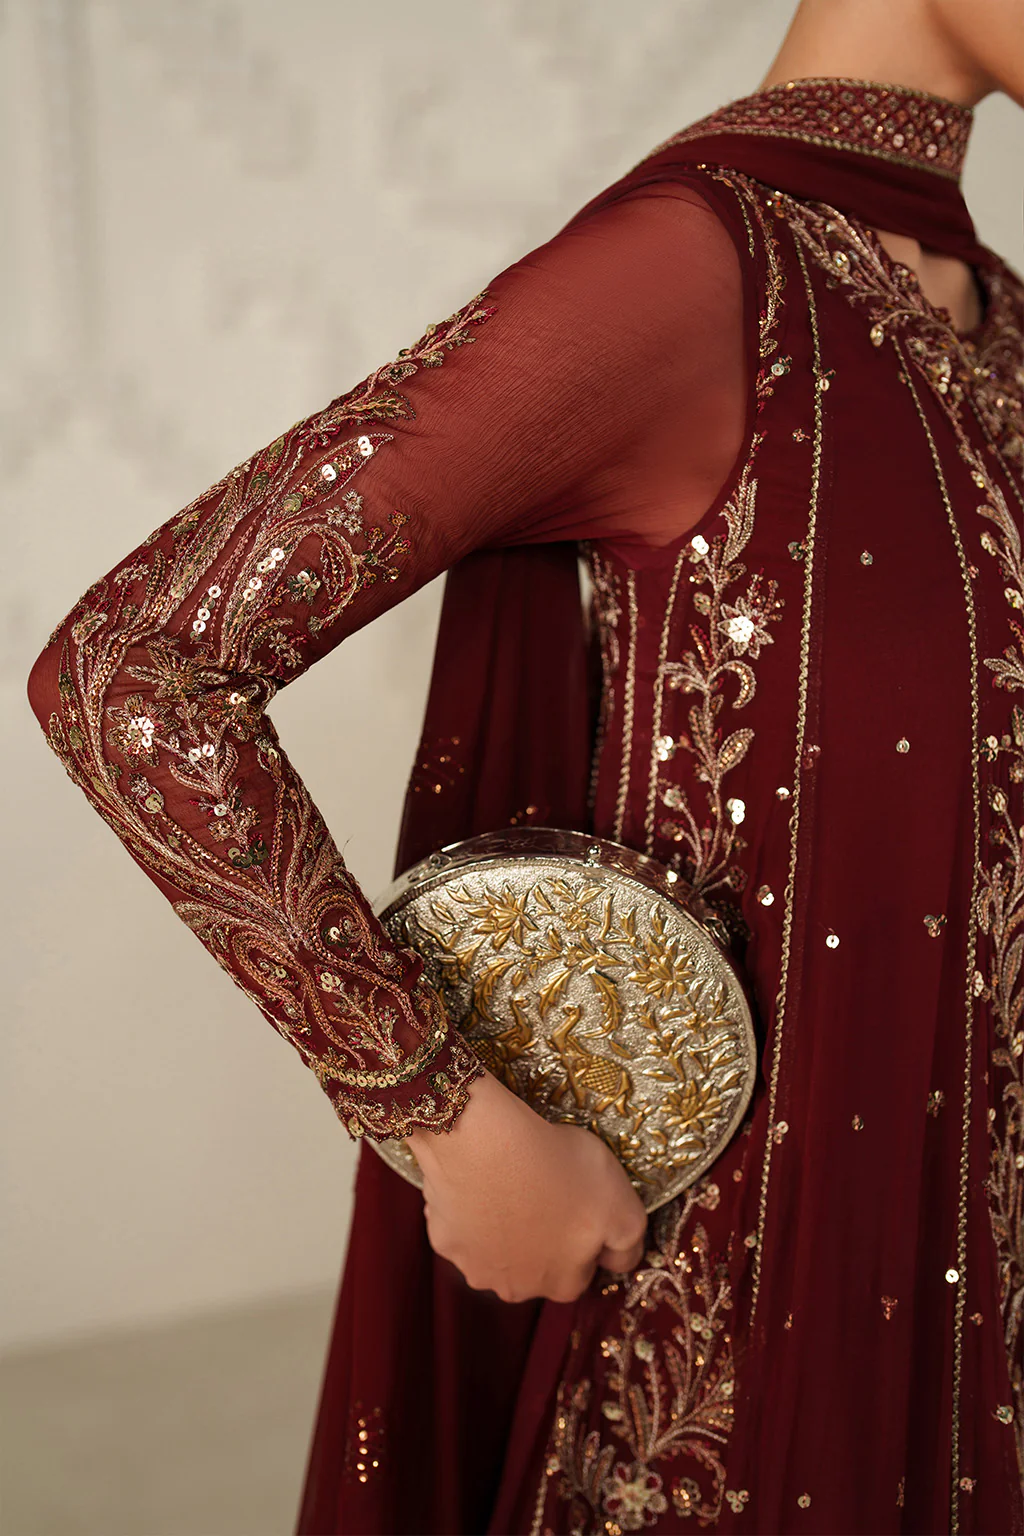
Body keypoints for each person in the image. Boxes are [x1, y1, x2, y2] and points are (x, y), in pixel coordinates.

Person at [26, 0, 1024, 1528]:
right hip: (728, 1359)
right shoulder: (696, 279)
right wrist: (439, 1109)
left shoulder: (988, 318)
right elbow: (132, 671)